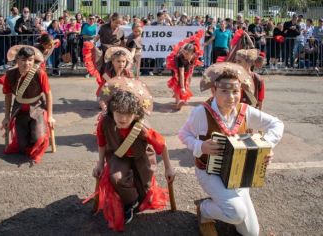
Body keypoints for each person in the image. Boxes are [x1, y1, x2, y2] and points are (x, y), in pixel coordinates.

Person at [178, 62, 284, 236]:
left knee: (251, 233)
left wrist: (265, 146)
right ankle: (204, 209)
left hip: (238, 174)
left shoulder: (245, 111)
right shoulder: (201, 112)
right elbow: (183, 134)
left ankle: (221, 203)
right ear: (213, 91)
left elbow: (276, 124)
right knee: (236, 213)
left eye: (235, 91)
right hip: (209, 171)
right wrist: (200, 146)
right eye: (224, 91)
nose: (231, 97)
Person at [88, 80, 175, 231]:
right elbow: (101, 143)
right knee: (117, 178)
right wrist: (100, 163)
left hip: (141, 158)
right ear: (112, 110)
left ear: (136, 114)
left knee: (145, 191)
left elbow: (163, 145)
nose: (123, 119)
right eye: (119, 113)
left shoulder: (143, 128)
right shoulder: (104, 122)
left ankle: (137, 197)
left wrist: (169, 168)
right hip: (118, 155)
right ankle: (130, 202)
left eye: (128, 114)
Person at [0, 46, 55, 164]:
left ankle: (39, 131)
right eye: (23, 60)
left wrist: (50, 116)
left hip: (37, 108)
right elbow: (8, 96)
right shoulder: (10, 75)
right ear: (17, 60)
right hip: (19, 110)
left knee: (38, 139)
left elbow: (48, 94)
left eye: (30, 60)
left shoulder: (40, 73)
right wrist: (7, 117)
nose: (27, 63)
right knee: (22, 147)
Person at [82, 44, 134, 111]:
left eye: (123, 61)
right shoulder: (106, 74)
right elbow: (104, 89)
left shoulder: (128, 73)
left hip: (123, 94)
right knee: (105, 105)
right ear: (112, 61)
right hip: (109, 92)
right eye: (118, 61)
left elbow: (132, 87)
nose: (121, 64)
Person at [166, 30, 204, 110]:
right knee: (177, 81)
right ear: (183, 51)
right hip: (177, 68)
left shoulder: (194, 56)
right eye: (184, 53)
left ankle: (183, 97)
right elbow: (181, 73)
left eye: (187, 54)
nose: (185, 55)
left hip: (188, 66)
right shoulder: (180, 57)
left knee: (187, 81)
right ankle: (177, 102)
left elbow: (190, 72)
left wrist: (187, 82)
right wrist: (182, 87)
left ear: (192, 54)